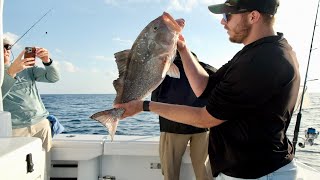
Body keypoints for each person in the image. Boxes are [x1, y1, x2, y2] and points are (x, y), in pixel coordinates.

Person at [115, 0, 301, 179]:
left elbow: (206, 118)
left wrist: (144, 106)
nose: (222, 21)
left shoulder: (263, 60)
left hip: (260, 173)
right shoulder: (255, 53)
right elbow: (205, 88)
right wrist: (183, 48)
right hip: (248, 170)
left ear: (253, 16)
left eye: (228, 16)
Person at [152, 51, 216, 180]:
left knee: (171, 172)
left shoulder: (165, 71)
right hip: (202, 126)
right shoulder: (207, 68)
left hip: (172, 127)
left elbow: (155, 99)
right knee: (204, 171)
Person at [2, 37, 60, 179]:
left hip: (41, 125)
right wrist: (11, 72)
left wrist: (47, 61)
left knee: (44, 169)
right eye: (1, 46)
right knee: (17, 173)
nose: (5, 50)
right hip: (15, 129)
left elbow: (53, 78)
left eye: (8, 46)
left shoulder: (28, 69)